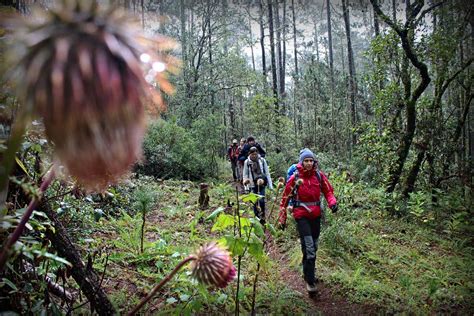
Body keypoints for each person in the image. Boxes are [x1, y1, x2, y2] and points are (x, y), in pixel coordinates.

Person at [278, 148, 338, 295]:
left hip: (316, 216)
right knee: (310, 248)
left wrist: (332, 203)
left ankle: (307, 272)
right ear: (302, 162)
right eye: (306, 161)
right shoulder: (295, 178)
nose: (309, 163)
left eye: (311, 160)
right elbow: (285, 198)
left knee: (313, 247)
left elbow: (328, 191)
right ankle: (310, 282)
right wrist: (282, 217)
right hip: (301, 216)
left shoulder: (318, 175)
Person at [243, 147, 273, 224]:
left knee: (262, 201)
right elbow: (245, 174)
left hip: (261, 183)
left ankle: (263, 215)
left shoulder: (262, 160)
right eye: (252, 154)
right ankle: (256, 218)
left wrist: (270, 186)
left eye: (255, 154)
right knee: (254, 202)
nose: (254, 156)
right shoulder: (247, 162)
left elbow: (267, 173)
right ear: (250, 154)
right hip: (252, 185)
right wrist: (246, 186)